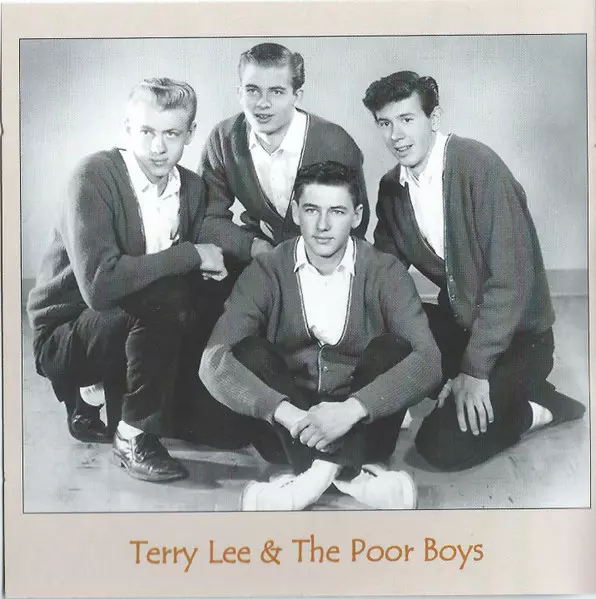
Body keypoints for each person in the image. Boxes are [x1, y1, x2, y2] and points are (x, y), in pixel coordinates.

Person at [362, 70, 585, 471]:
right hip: (460, 327)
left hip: (519, 340)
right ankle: (367, 459)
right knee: (384, 337)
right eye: (384, 123)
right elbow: (384, 275)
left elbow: (511, 283)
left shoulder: (479, 167)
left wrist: (474, 371)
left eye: (407, 119)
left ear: (433, 118)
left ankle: (537, 407)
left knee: (441, 444)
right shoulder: (392, 188)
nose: (396, 135)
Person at [27, 77, 247, 483]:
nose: (158, 147)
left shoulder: (191, 187)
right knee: (167, 292)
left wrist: (238, 256)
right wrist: (191, 255)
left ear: (190, 134)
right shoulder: (94, 176)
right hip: (69, 333)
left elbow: (207, 254)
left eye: (171, 134)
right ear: (128, 129)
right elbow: (100, 287)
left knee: (228, 431)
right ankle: (131, 434)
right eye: (146, 132)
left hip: (141, 329)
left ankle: (95, 395)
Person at [199, 160, 441, 510]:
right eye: (312, 210)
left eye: (337, 212)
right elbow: (212, 360)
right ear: (296, 212)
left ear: (357, 216)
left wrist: (351, 411)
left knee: (394, 348)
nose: (323, 225)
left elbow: (429, 361)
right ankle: (354, 478)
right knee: (248, 351)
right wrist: (294, 416)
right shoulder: (267, 269)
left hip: (365, 427)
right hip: (288, 430)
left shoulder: (384, 270)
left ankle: (304, 486)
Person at [198, 42, 370, 273]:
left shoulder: (335, 143)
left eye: (277, 92)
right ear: (239, 93)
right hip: (260, 255)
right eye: (252, 90)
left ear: (296, 96)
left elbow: (353, 224)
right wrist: (253, 246)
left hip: (326, 260)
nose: (263, 103)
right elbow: (206, 219)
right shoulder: (224, 138)